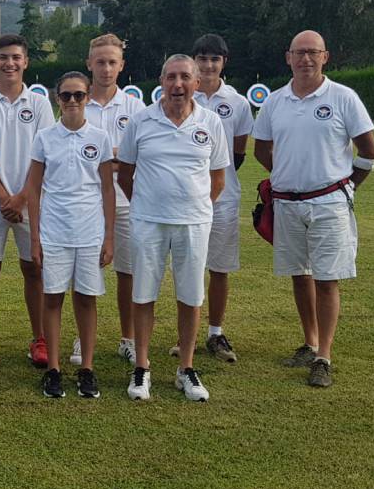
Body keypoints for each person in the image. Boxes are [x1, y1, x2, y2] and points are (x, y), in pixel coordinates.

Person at [253, 30, 374, 388]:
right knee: (300, 274)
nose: (306, 59)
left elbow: (369, 151)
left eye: (313, 53)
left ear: (325, 57)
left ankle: (324, 355)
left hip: (328, 203)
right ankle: (309, 342)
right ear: (288, 57)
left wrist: (348, 183)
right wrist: (287, 173)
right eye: (299, 53)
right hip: (288, 202)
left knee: (327, 279)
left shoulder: (343, 97)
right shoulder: (275, 101)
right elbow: (263, 149)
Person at [118, 54, 230, 402]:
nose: (177, 84)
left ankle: (186, 368)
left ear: (197, 83)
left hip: (194, 223)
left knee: (190, 296)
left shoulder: (210, 122)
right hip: (148, 222)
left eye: (185, 77)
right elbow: (125, 174)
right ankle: (142, 366)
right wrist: (149, 204)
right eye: (170, 77)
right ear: (161, 81)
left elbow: (218, 179)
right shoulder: (140, 121)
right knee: (144, 294)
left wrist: (194, 207)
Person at [0, 34, 55, 369]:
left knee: (34, 268)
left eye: (16, 57)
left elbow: (43, 156)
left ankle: (41, 339)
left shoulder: (40, 102)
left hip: (30, 201)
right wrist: (6, 198)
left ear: (26, 61)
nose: (10, 63)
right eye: (4, 57)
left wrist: (22, 198)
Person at [24, 72, 115, 399]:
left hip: (90, 232)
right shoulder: (45, 137)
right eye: (66, 96)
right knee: (53, 297)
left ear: (88, 97)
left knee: (86, 298)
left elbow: (107, 188)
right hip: (54, 231)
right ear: (57, 99)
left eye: (78, 95)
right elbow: (33, 189)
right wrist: (34, 238)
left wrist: (109, 237)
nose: (72, 101)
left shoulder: (100, 137)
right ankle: (54, 370)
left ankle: (87, 368)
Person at [167, 34, 254, 362]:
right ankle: (183, 336)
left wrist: (214, 186)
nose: (208, 64)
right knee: (186, 268)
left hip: (223, 198)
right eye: (202, 58)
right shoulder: (179, 94)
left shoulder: (238, 103)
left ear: (224, 62)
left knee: (219, 268)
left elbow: (237, 153)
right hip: (182, 199)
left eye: (214, 59)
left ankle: (215, 333)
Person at [83, 32, 146, 367]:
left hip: (127, 199)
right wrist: (114, 156)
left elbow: (141, 155)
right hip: (87, 201)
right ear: (89, 63)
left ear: (121, 65)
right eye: (100, 62)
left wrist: (106, 155)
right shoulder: (77, 102)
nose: (106, 69)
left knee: (128, 271)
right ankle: (83, 336)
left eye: (112, 62)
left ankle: (129, 338)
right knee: (85, 270)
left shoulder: (136, 108)